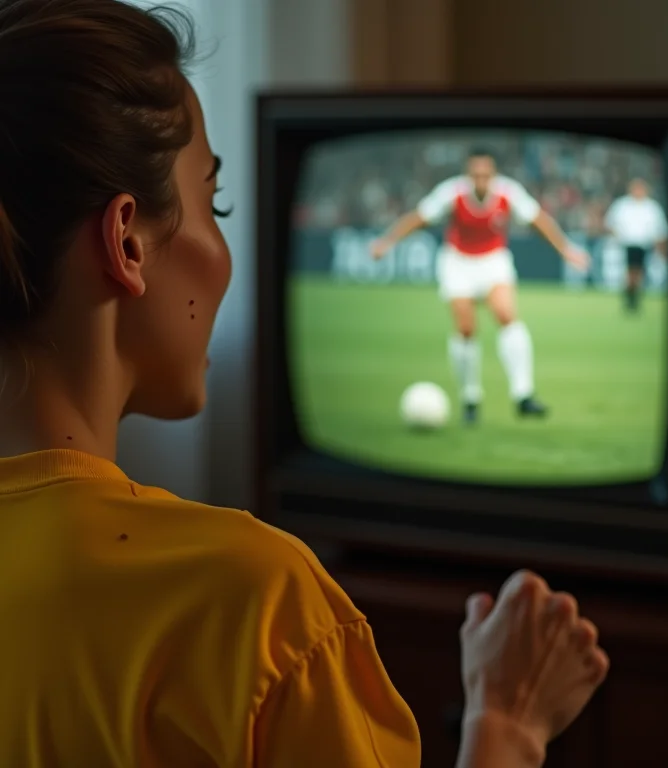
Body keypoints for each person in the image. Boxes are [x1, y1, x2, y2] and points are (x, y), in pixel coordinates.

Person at [0, 2, 608, 766]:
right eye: (213, 203)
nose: (225, 251)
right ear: (127, 243)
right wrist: (506, 726)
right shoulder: (255, 603)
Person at [370, 148, 590, 425]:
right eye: (476, 174)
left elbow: (539, 221)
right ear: (468, 174)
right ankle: (470, 397)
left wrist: (566, 249)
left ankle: (523, 395)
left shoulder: (508, 192)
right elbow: (418, 217)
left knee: (506, 315)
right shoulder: (451, 193)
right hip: (458, 262)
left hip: (493, 260)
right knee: (465, 328)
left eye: (486, 174)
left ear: (494, 174)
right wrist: (387, 241)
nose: (481, 180)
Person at [604, 178, 668, 312]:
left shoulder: (652, 207)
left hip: (645, 245)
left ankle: (635, 299)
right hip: (627, 244)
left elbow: (661, 230)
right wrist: (618, 236)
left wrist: (660, 246)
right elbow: (609, 223)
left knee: (639, 273)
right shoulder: (622, 205)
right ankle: (629, 298)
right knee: (630, 272)